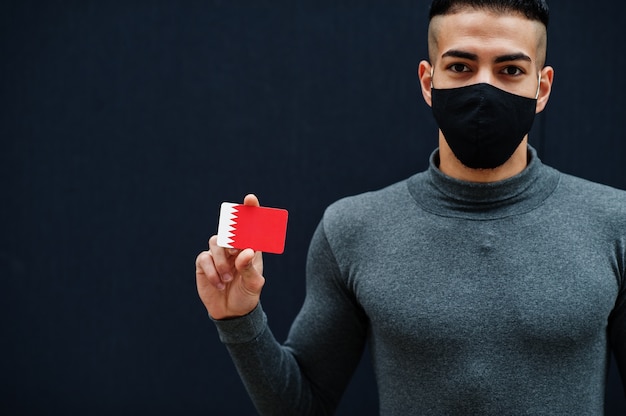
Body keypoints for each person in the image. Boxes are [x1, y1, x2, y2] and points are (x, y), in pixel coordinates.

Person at [195, 0, 626, 414]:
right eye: (460, 67)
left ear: (542, 87)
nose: (484, 89)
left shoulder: (614, 224)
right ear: (427, 81)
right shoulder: (353, 228)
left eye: (510, 69)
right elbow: (301, 405)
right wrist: (239, 317)